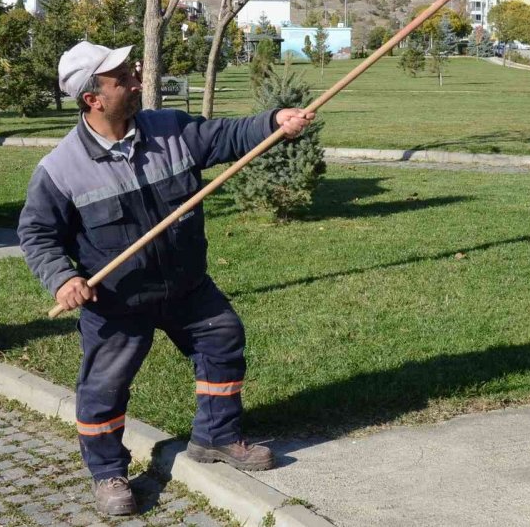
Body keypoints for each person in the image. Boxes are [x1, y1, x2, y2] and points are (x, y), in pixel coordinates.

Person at [17, 41, 314, 517]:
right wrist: (62, 279)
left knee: (222, 338)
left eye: (133, 73)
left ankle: (215, 437)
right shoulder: (60, 170)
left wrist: (274, 121)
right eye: (124, 79)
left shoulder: (168, 128)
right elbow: (37, 234)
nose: (137, 82)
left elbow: (225, 136)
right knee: (104, 387)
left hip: (185, 286)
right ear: (94, 98)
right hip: (117, 301)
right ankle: (108, 472)